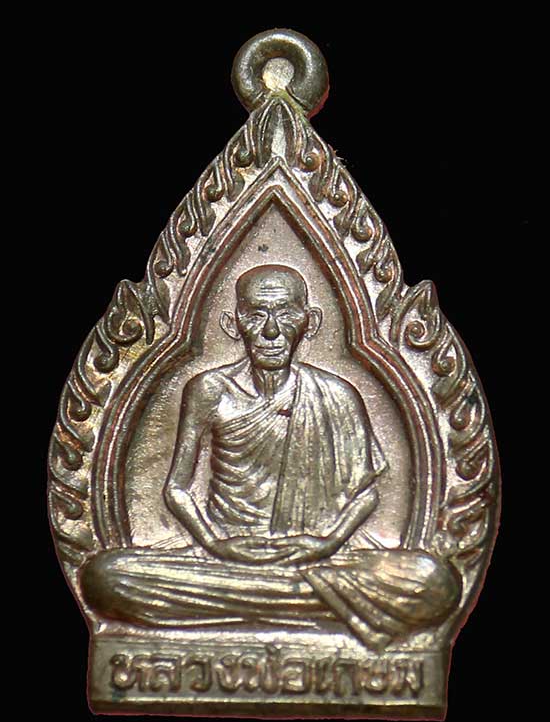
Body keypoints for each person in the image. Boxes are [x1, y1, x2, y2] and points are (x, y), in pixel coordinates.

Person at [81, 265, 460, 648]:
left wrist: (327, 544)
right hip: (225, 559)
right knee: (107, 576)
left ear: (310, 322)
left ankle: (252, 608)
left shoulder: (337, 394)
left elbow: (366, 494)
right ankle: (321, 610)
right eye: (256, 314)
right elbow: (177, 488)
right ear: (233, 323)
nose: (271, 331)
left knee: (432, 581)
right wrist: (215, 544)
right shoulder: (209, 390)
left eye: (285, 313)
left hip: (315, 560)